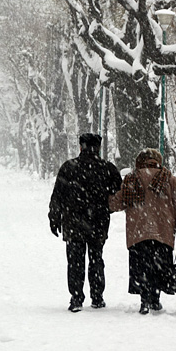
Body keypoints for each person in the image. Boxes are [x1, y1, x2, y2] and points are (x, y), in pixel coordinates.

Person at [48, 133, 122, 312]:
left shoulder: (69, 167)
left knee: (75, 260)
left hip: (73, 222)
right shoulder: (108, 169)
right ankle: (97, 296)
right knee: (96, 258)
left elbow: (58, 194)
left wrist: (54, 217)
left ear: (81, 147)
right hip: (98, 221)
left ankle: (76, 297)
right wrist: (105, 207)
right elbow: (117, 194)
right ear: (98, 147)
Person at [109, 148, 176, 315]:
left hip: (138, 231)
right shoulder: (168, 178)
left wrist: (105, 198)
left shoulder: (132, 178)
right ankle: (155, 299)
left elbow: (118, 203)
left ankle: (144, 300)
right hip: (163, 232)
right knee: (159, 267)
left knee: (142, 266)